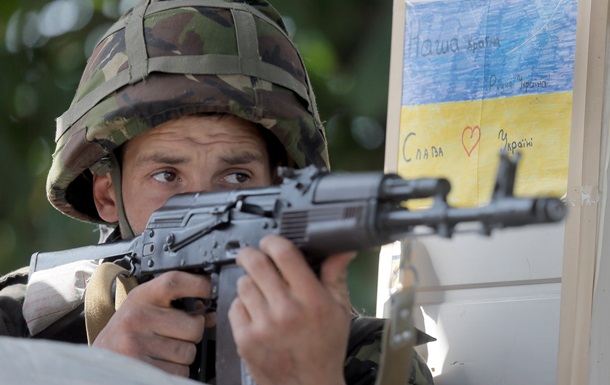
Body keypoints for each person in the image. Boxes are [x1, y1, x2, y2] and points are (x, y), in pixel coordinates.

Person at [0, 1, 434, 384]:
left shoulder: (363, 358)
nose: (205, 201)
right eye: (167, 175)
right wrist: (93, 375)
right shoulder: (21, 323)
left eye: (237, 177)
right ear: (107, 196)